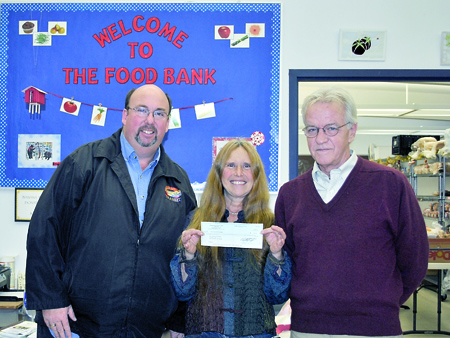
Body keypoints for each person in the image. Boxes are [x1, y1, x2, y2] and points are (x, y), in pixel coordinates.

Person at [26, 84, 197, 338]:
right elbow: (44, 232)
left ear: (168, 123)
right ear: (125, 115)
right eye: (142, 110)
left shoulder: (179, 182)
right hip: (76, 326)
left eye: (159, 113)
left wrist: (179, 320)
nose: (150, 121)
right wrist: (50, 300)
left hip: (145, 329)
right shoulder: (84, 164)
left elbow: (187, 256)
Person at [275, 87, 429, 337]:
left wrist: (381, 304)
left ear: (352, 131)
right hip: (308, 329)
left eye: (331, 128)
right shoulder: (290, 194)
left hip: (375, 329)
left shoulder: (390, 184)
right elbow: (287, 262)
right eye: (312, 129)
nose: (320, 138)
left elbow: (415, 259)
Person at [170, 139, 292, 338]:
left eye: (246, 166)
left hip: (257, 333)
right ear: (219, 172)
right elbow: (182, 291)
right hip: (203, 333)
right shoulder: (195, 221)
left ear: (257, 175)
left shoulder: (271, 224)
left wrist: (277, 254)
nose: (238, 173)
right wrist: (189, 256)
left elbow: (277, 295)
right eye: (231, 165)